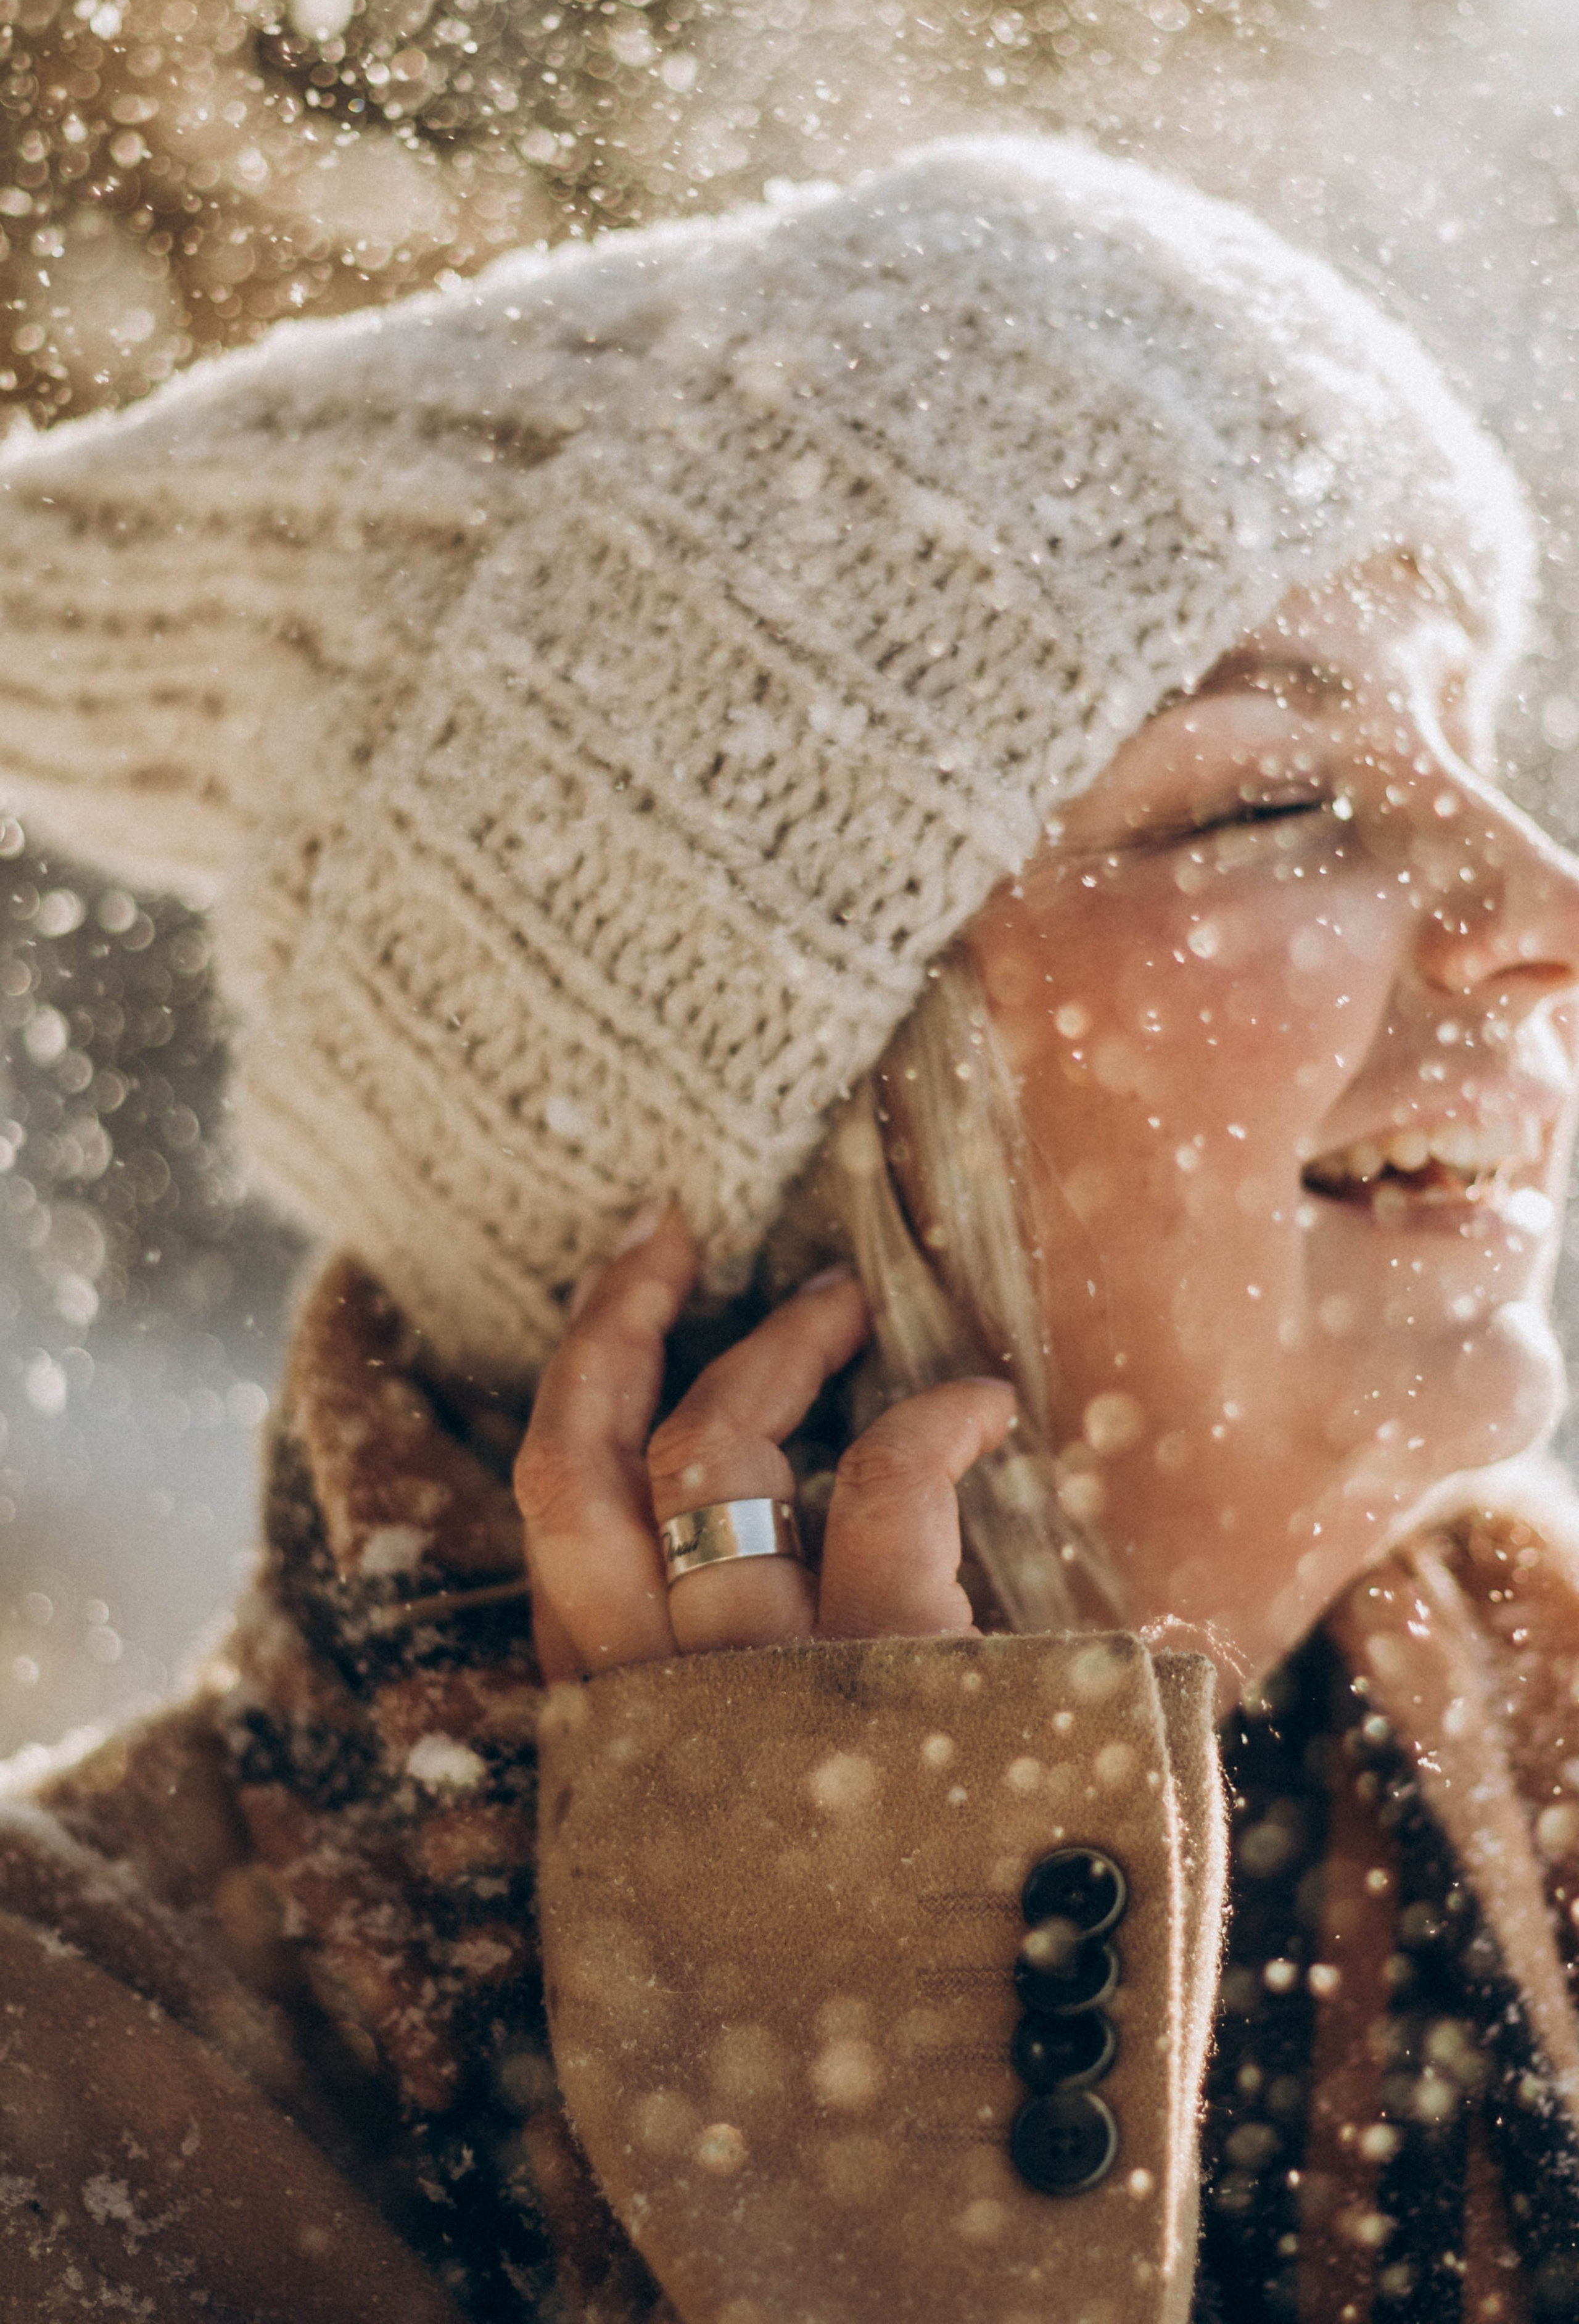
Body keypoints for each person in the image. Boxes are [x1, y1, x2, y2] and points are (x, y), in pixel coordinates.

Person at [0, 134, 1576, 2323]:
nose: (1544, 922)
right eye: (1270, 799)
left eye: (1471, 749)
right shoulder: (75, 2112)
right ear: (804, 1155)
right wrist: (895, 2235)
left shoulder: (1544, 1820)